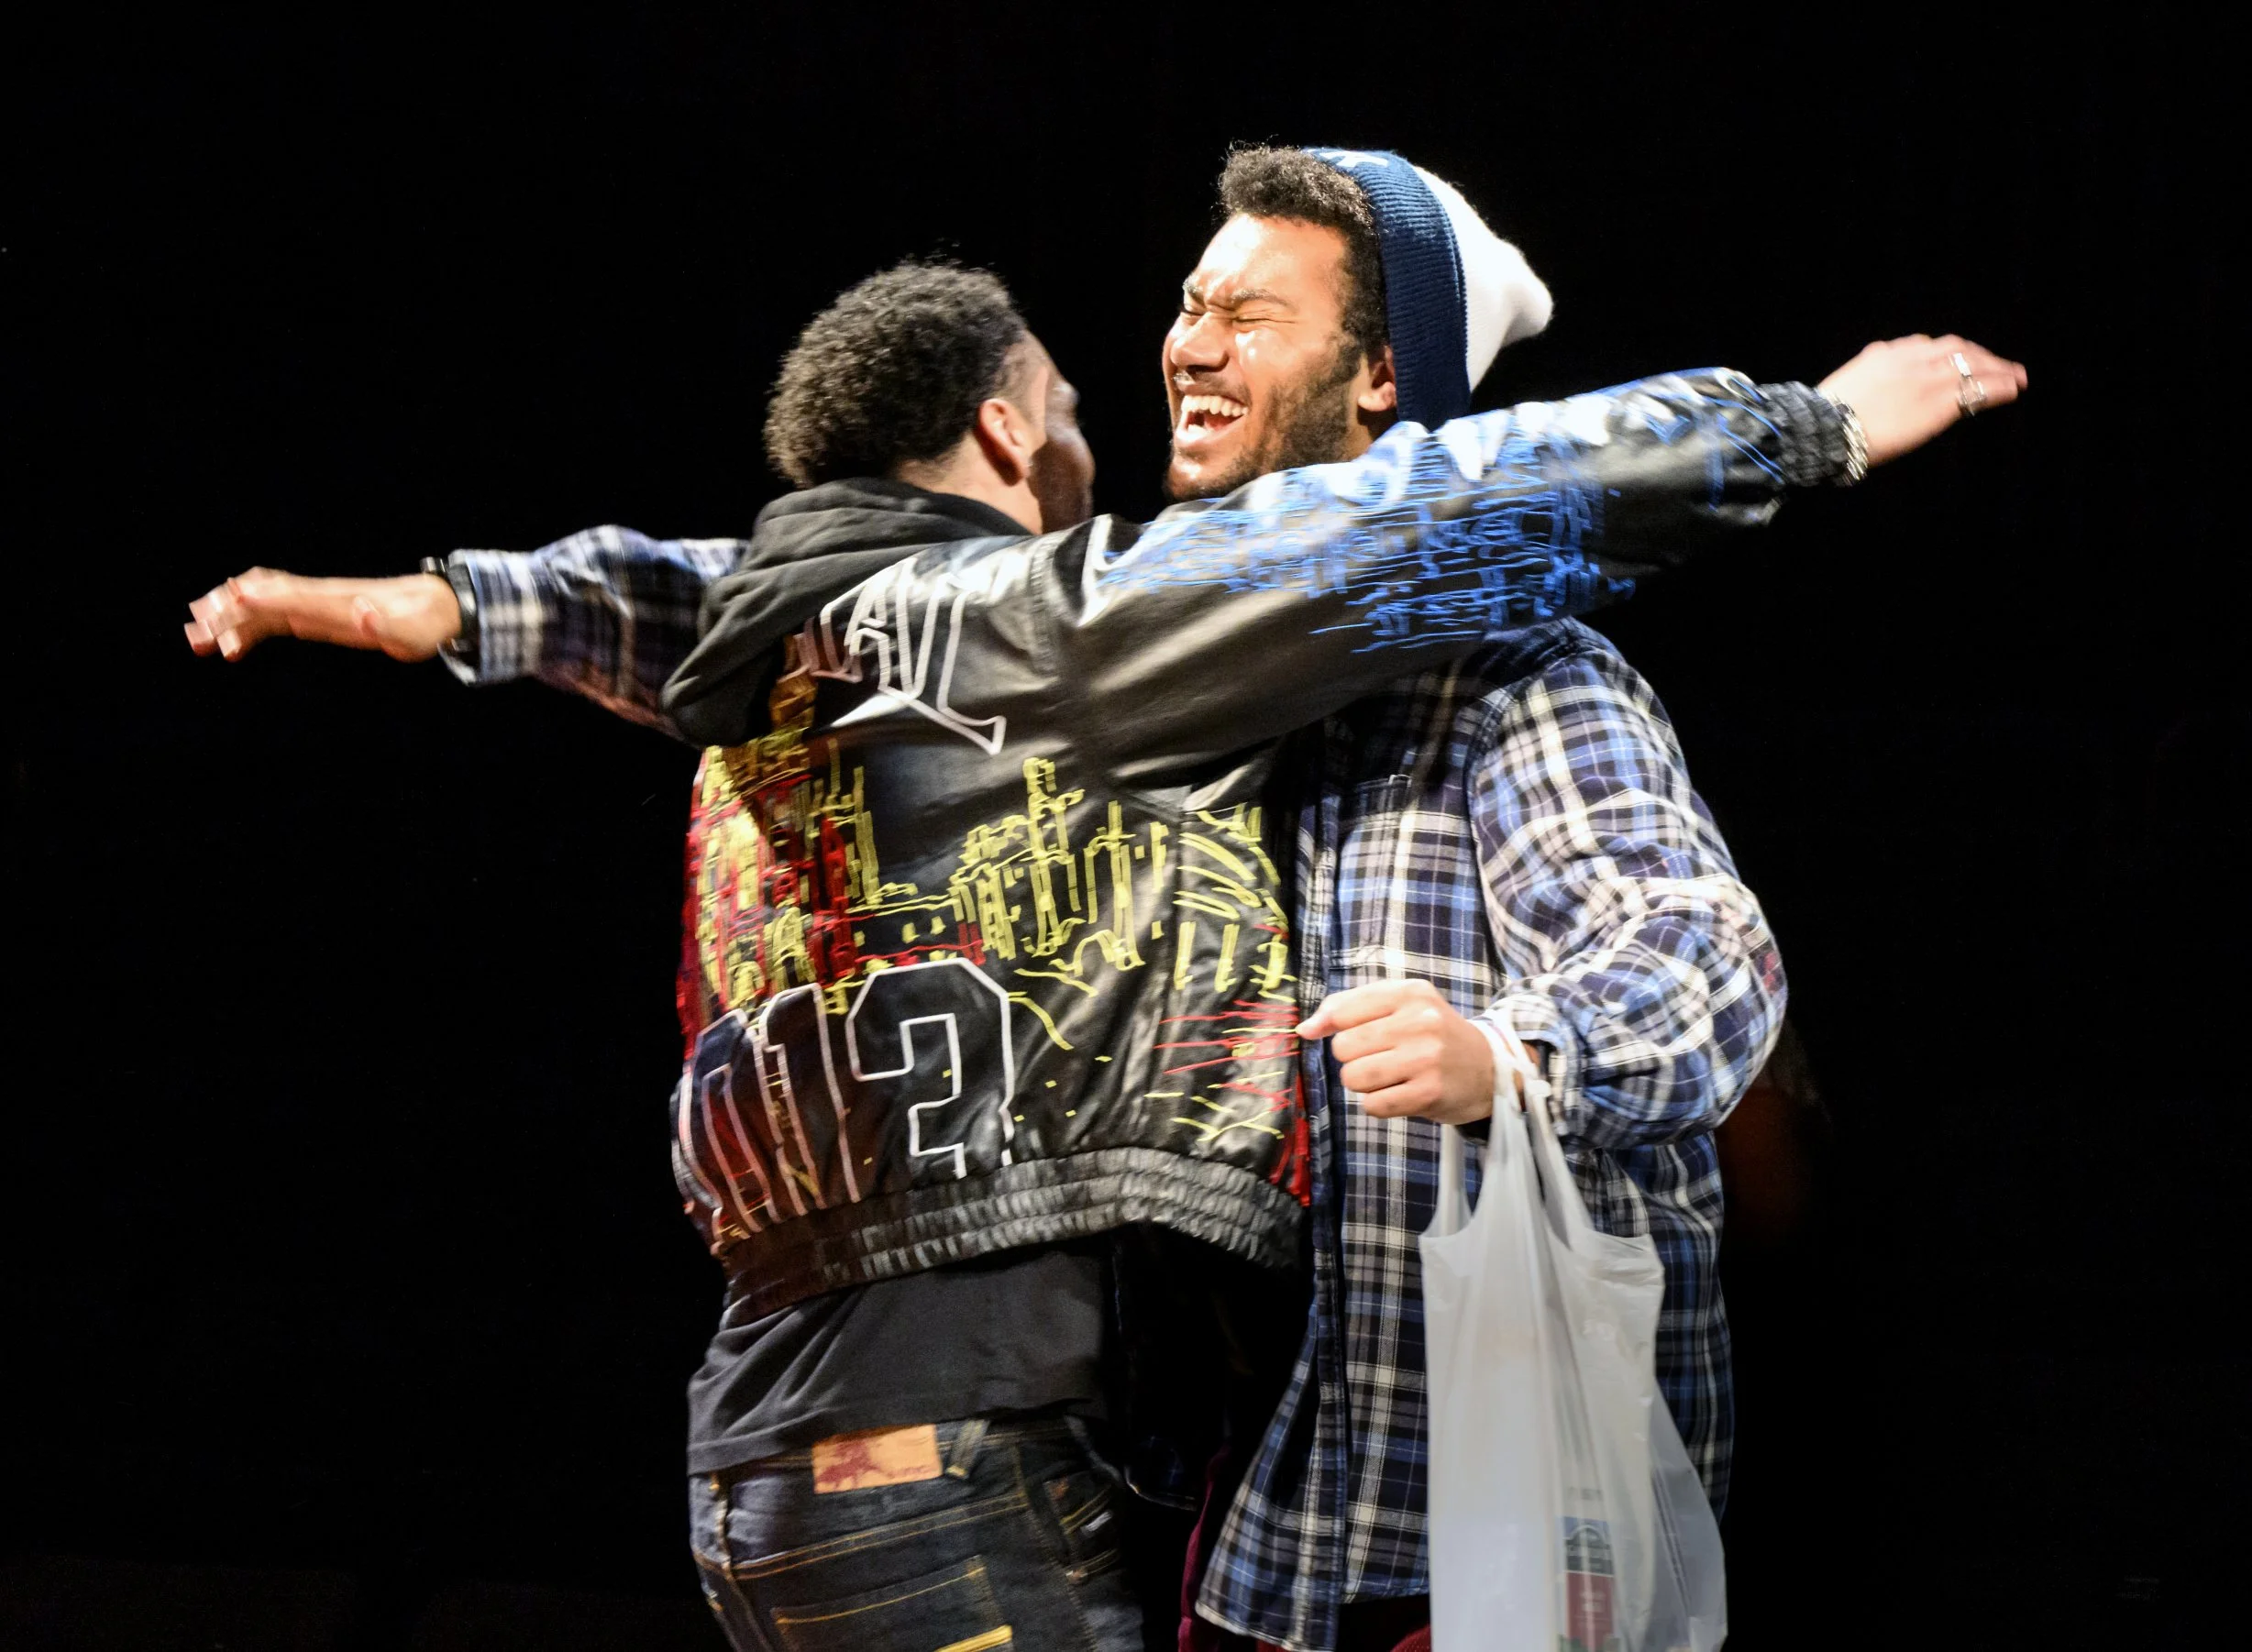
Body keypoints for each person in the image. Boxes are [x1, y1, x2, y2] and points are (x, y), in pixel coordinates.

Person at [187, 220, 2018, 1652]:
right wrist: (1801, 425)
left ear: (1380, 372)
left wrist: (463, 604)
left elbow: (1685, 931)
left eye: (1244, 312)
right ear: (1001, 429)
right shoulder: (1064, 623)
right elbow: (1429, 513)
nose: (1170, 355)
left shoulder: (839, 636)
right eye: (1155, 323)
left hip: (882, 1463)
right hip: (1019, 1446)